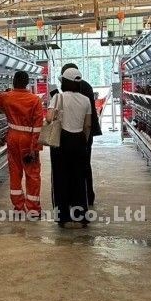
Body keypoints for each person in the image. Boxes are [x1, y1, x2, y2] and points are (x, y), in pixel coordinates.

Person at [0, 71, 44, 215]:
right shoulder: (35, 100)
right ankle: (33, 209)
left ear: (14, 82)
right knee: (32, 173)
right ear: (27, 83)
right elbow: (38, 126)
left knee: (15, 171)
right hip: (29, 138)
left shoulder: (7, 97)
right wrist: (35, 148)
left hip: (13, 136)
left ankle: (18, 208)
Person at [47, 67, 92, 227]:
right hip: (79, 140)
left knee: (60, 178)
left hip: (61, 140)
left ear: (64, 82)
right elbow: (87, 125)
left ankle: (63, 217)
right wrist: (84, 141)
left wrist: (57, 113)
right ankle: (81, 216)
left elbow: (49, 118)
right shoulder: (86, 100)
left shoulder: (58, 97)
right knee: (79, 178)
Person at [60, 63, 102, 205]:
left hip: (72, 134)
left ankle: (73, 198)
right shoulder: (86, 86)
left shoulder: (68, 92)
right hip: (85, 134)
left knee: (69, 167)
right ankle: (88, 196)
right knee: (84, 165)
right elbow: (88, 119)